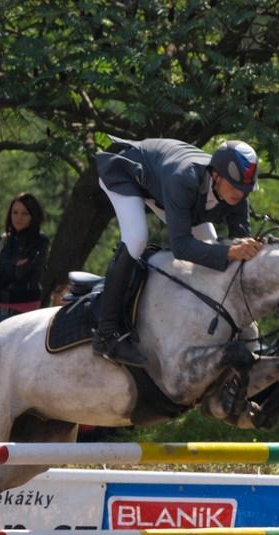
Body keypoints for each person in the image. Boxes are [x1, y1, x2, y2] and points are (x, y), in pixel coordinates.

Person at [93, 137, 264, 366]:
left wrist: (250, 249)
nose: (239, 194)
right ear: (216, 175)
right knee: (136, 238)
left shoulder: (238, 194)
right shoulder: (183, 179)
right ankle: (106, 334)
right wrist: (232, 252)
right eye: (235, 187)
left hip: (162, 182)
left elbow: (238, 242)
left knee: (211, 246)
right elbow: (181, 247)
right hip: (127, 172)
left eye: (245, 190)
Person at [0, 193, 49, 325]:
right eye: (15, 212)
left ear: (33, 215)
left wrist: (0, 269)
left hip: (24, 310)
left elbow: (23, 274)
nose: (18, 218)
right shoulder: (2, 240)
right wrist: (12, 268)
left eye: (25, 213)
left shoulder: (40, 242)